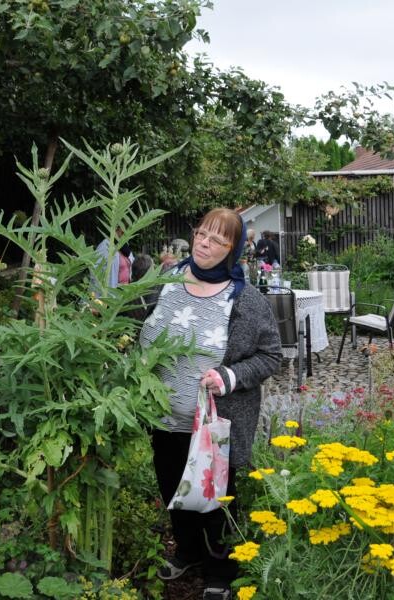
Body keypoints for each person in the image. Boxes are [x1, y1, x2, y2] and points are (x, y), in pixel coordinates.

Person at [138, 208, 282, 600]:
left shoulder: (245, 299)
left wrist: (228, 377)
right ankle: (187, 552)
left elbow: (271, 355)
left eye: (217, 240)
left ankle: (221, 570)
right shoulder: (165, 282)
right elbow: (137, 325)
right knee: (174, 488)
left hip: (214, 424)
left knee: (216, 499)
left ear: (232, 249)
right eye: (202, 234)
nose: (204, 243)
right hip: (164, 416)